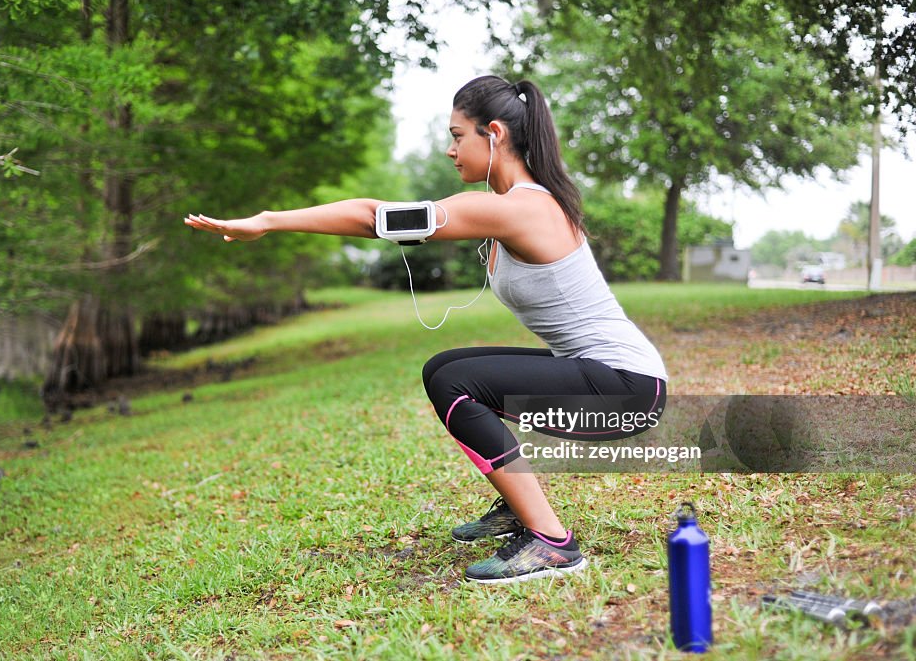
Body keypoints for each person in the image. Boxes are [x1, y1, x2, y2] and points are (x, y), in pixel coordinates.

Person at [185, 75, 668, 585]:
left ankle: (552, 542)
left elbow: (376, 218)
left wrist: (267, 220)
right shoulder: (515, 203)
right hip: (608, 377)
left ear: (495, 134)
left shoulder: (521, 207)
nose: (449, 149)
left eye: (458, 136)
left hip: (627, 388)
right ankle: (518, 508)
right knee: (445, 367)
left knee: (454, 383)